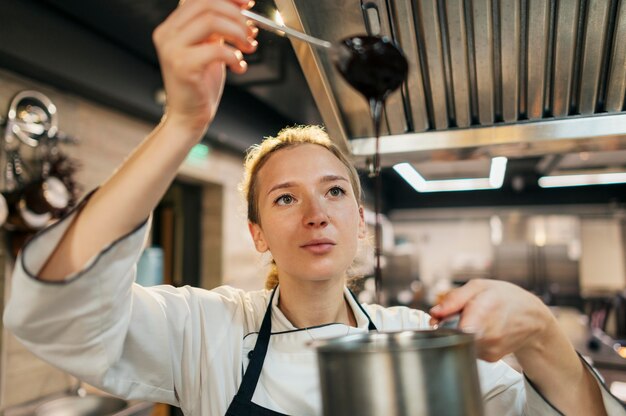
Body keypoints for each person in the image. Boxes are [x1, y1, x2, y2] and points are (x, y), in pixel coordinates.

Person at [2, 0, 623, 415]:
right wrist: (182, 124)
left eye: (334, 191)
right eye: (284, 198)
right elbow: (59, 313)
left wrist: (542, 333)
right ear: (258, 235)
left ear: (360, 222)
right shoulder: (207, 332)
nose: (315, 213)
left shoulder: (426, 347)